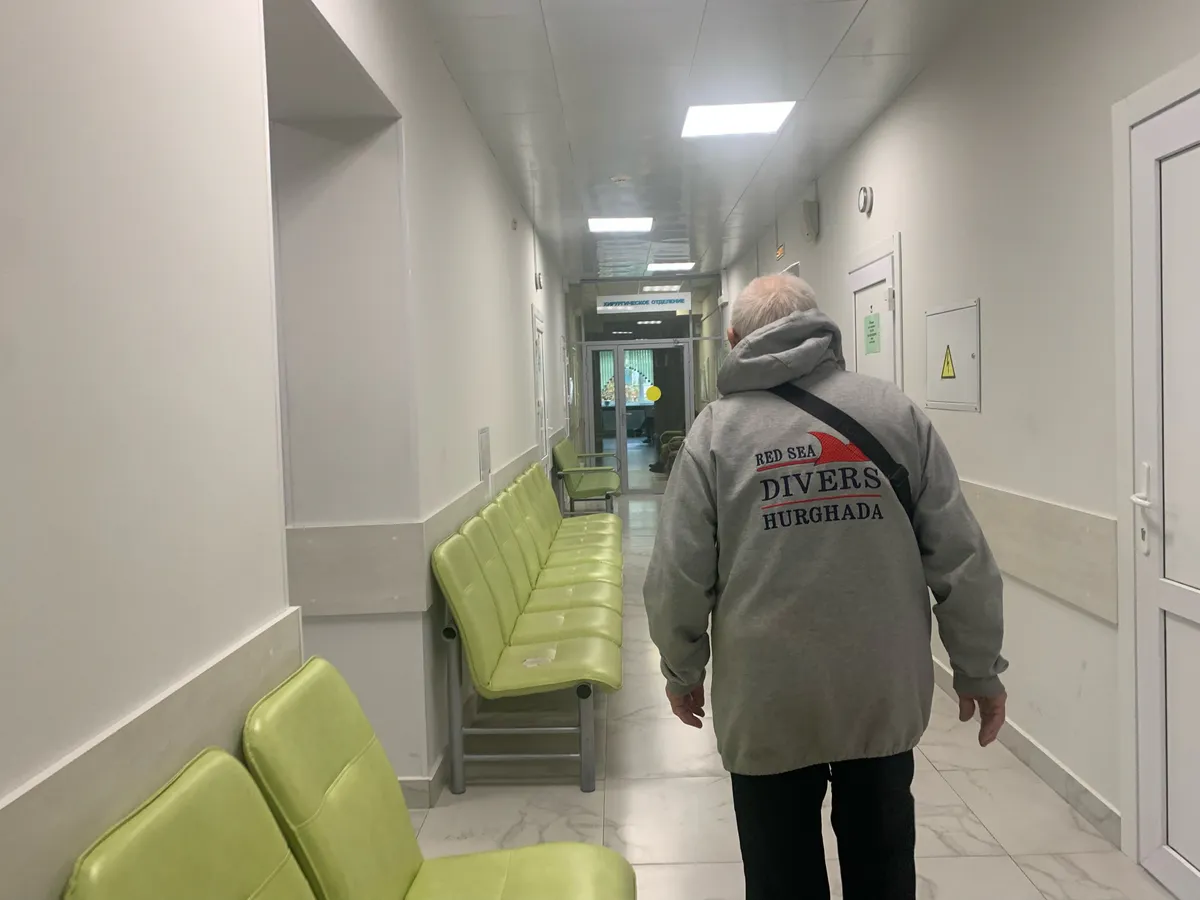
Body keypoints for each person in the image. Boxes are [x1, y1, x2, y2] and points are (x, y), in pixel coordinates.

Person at [643, 273, 1007, 900]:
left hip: (768, 696)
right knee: (882, 868)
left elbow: (678, 572)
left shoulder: (715, 434)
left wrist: (682, 670)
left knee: (780, 875)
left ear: (733, 339)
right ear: (819, 326)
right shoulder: (895, 413)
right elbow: (961, 556)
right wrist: (978, 667)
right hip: (879, 689)